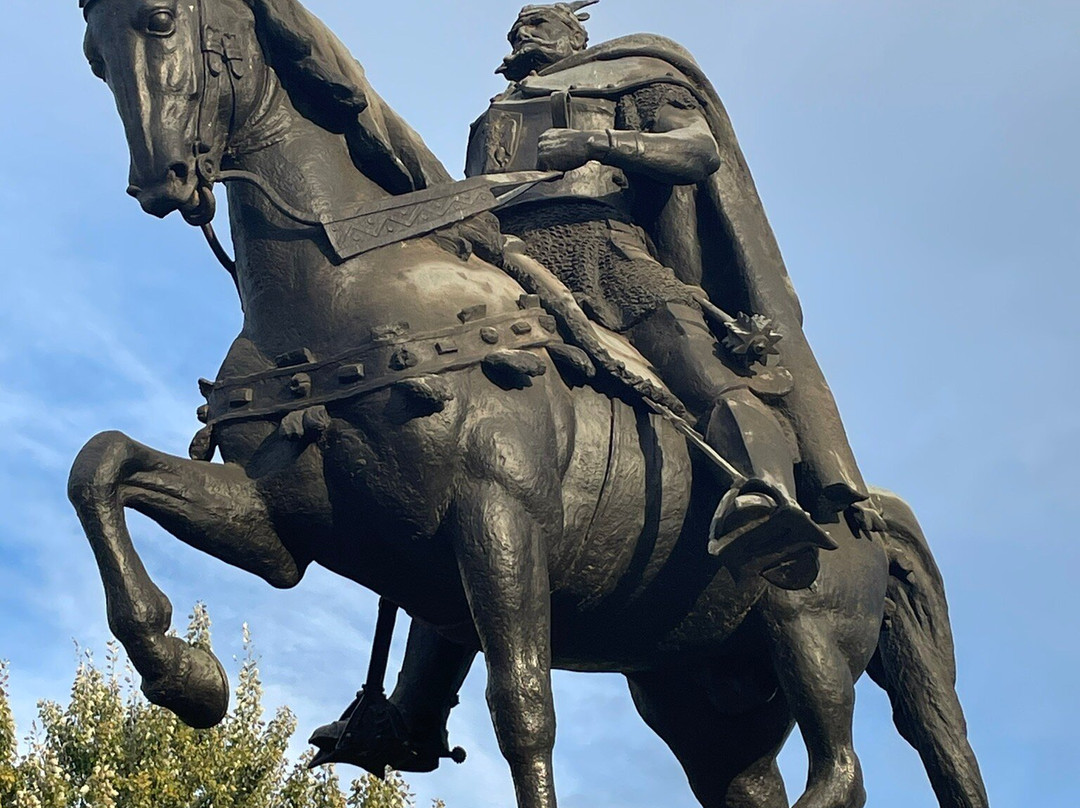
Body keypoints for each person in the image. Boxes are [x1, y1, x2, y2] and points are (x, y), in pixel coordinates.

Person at [311, 0, 879, 769]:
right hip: (507, 273)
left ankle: (765, 496)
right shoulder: (496, 116)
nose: (520, 37)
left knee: (701, 370)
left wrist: (600, 140)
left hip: (607, 255)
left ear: (575, 37)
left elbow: (695, 152)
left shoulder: (631, 77)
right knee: (457, 453)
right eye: (516, 28)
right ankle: (416, 713)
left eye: (538, 26)